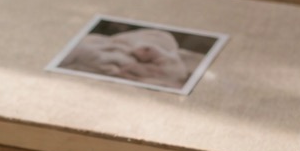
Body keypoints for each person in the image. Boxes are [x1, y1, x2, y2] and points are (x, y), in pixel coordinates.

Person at [58, 26, 202, 90]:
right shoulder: (171, 58)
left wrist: (128, 75)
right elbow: (145, 50)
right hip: (106, 55)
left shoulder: (169, 77)